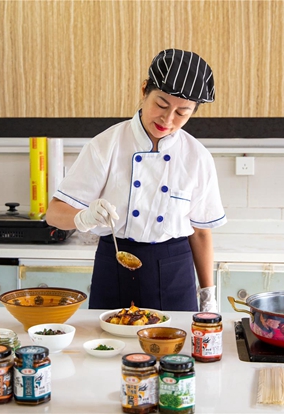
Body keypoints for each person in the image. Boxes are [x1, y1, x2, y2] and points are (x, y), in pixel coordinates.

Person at [45, 49, 227, 312]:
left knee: (177, 340)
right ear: (144, 90)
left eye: (182, 112)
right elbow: (54, 214)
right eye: (161, 105)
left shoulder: (197, 157)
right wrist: (83, 217)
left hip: (174, 271)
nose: (167, 119)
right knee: (107, 338)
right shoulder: (106, 145)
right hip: (115, 264)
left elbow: (200, 232)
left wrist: (208, 295)